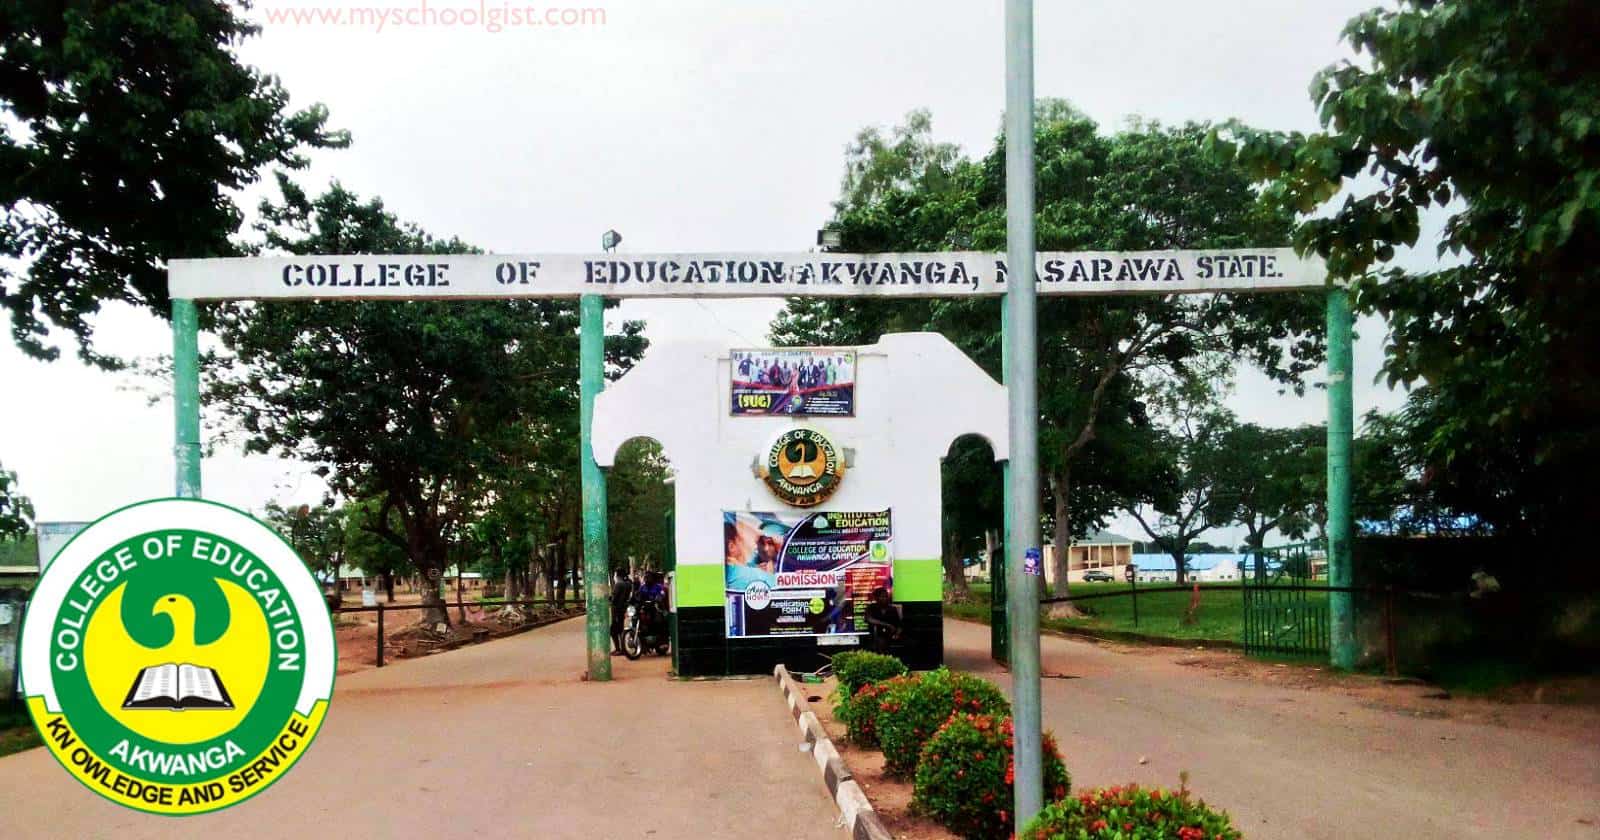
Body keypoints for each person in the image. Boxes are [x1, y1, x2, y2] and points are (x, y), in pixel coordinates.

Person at [863, 586, 901, 653]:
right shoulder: (871, 607)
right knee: (880, 641)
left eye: (886, 596)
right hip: (876, 634)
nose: (885, 598)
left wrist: (897, 633)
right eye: (882, 596)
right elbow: (868, 619)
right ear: (876, 598)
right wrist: (887, 625)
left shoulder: (892, 609)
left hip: (890, 634)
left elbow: (898, 623)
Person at [609, 569, 634, 655]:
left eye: (615, 574)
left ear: (617, 575)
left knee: (613, 630)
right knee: (620, 629)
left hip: (617, 610)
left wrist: (610, 599)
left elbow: (614, 598)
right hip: (622, 609)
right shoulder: (627, 584)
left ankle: (619, 649)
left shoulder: (619, 584)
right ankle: (621, 649)